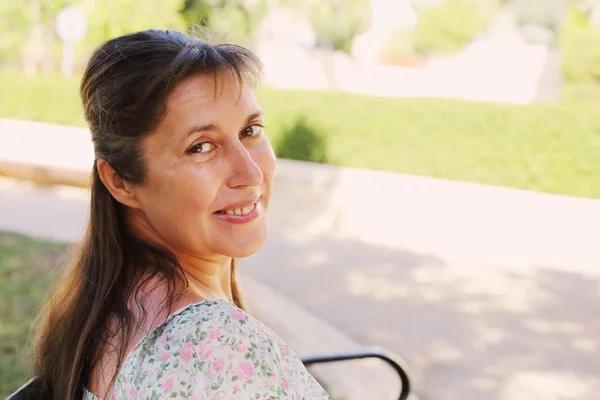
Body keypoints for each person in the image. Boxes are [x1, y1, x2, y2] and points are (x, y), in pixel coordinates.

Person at [31, 29, 329, 400]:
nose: (251, 173)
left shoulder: (108, 310)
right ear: (121, 182)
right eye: (201, 147)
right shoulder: (218, 347)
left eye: (250, 130)